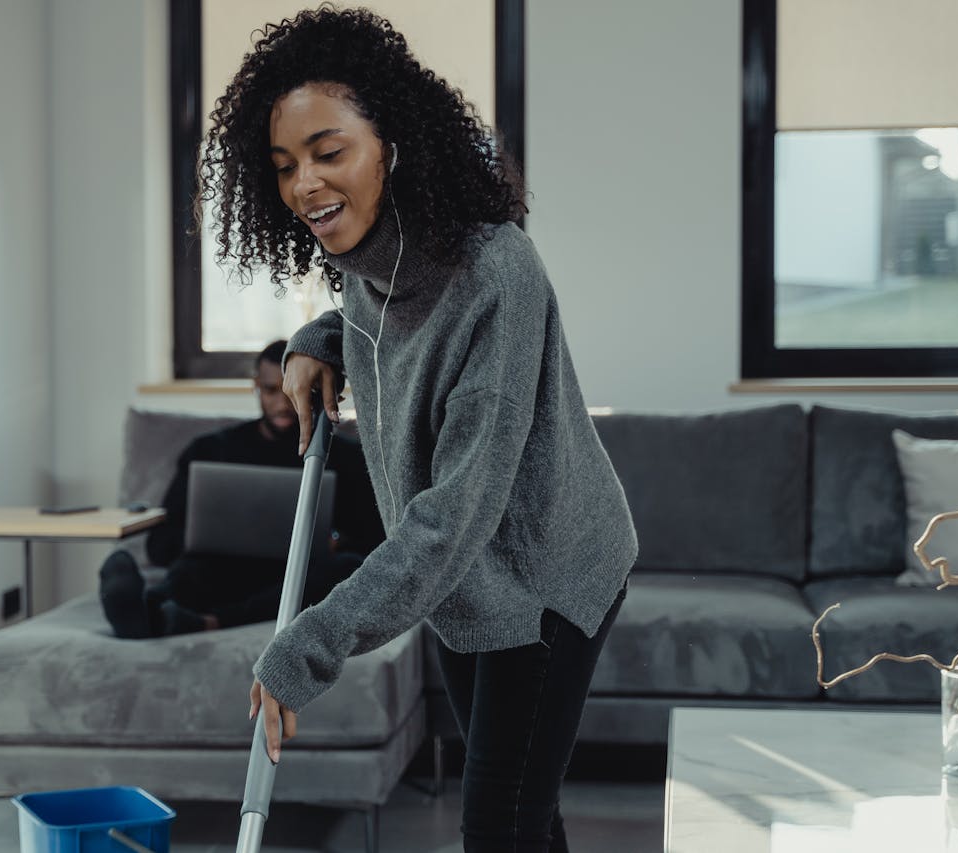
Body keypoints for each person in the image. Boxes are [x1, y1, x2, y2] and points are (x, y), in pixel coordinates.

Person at [197, 8, 637, 851]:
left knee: (495, 828)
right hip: (464, 589)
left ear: (390, 143)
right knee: (524, 820)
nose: (306, 186)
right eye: (287, 166)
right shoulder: (370, 254)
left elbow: (455, 513)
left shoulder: (496, 270)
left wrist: (309, 644)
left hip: (547, 577)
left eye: (330, 153)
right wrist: (307, 343)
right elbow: (378, 316)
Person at [98, 339, 382, 638]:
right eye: (271, 391)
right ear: (256, 387)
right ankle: (143, 608)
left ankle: (186, 621)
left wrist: (335, 538)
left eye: (292, 393)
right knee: (191, 569)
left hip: (298, 573)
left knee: (347, 568)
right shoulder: (211, 450)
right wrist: (205, 536)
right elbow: (160, 545)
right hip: (225, 571)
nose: (283, 404)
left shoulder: (344, 456)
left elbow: (376, 543)